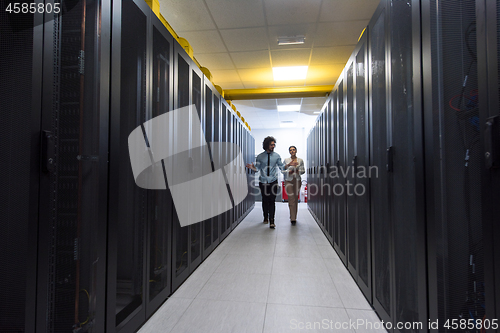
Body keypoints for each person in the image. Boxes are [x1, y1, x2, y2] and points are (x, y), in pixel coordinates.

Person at [246, 136, 295, 229]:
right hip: (263, 181)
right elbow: (257, 168)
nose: (273, 146)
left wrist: (288, 165)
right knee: (265, 200)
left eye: (274, 145)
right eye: (272, 144)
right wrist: (253, 168)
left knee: (272, 200)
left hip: (273, 181)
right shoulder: (260, 156)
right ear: (266, 145)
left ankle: (272, 220)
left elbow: (281, 167)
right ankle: (265, 217)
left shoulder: (276, 156)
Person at [282, 146, 305, 225]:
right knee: (291, 198)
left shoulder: (300, 160)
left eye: (293, 149)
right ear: (289, 152)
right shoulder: (286, 160)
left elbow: (303, 170)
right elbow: (282, 170)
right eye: (290, 150)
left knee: (295, 198)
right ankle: (292, 218)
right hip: (288, 180)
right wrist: (288, 171)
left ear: (296, 150)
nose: (292, 151)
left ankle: (294, 216)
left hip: (297, 180)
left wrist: (298, 171)